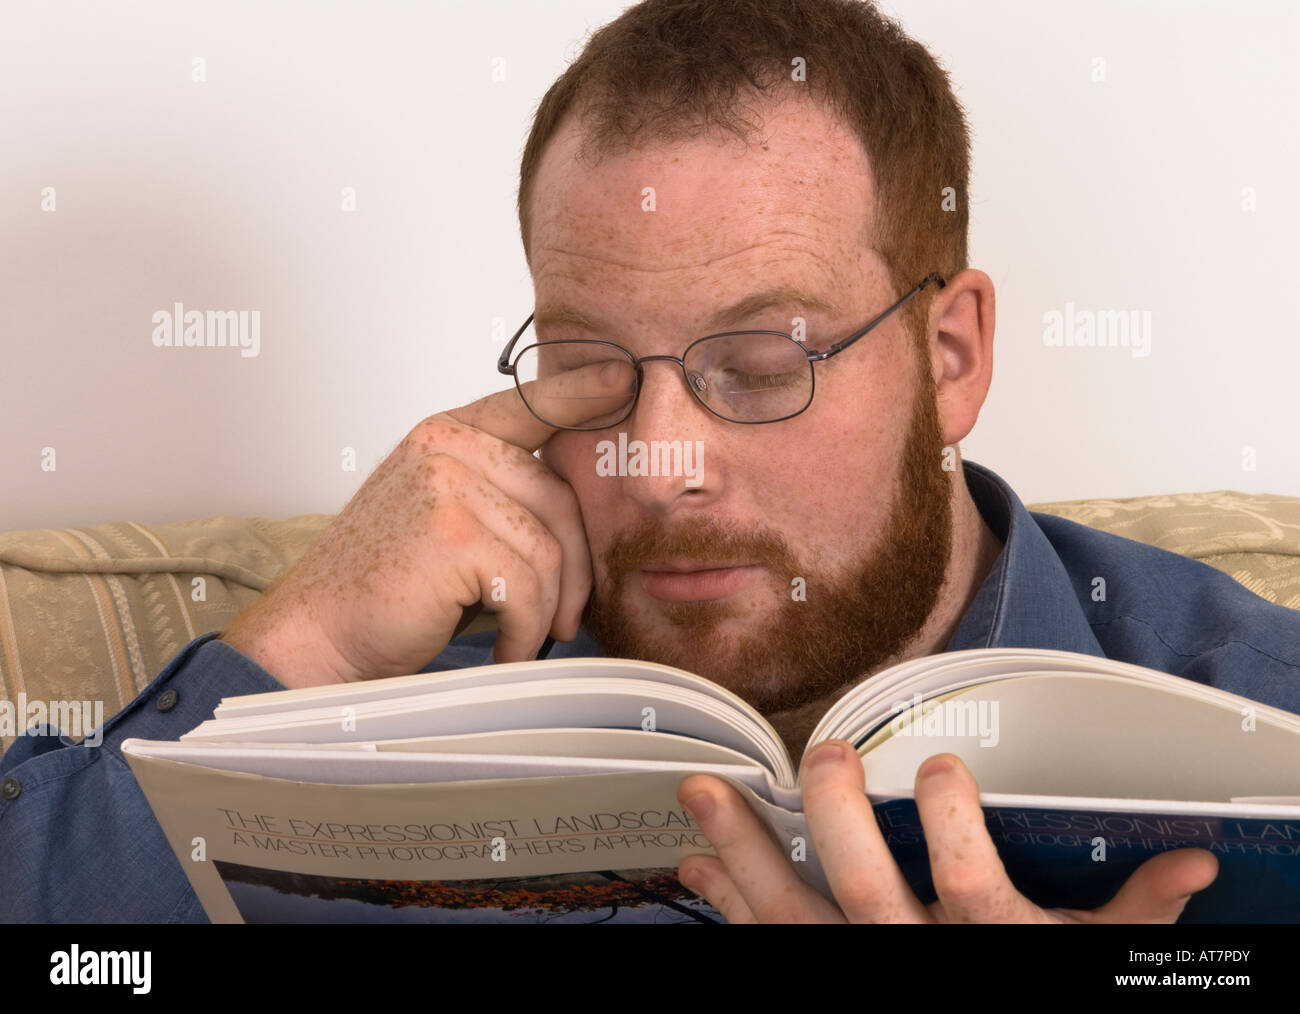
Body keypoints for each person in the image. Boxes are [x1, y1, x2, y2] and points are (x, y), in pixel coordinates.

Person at [3, 0, 1298, 924]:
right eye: (594, 368)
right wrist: (310, 648)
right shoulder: (413, 710)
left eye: (761, 361)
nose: (661, 456)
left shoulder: (1262, 725)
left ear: (950, 354)